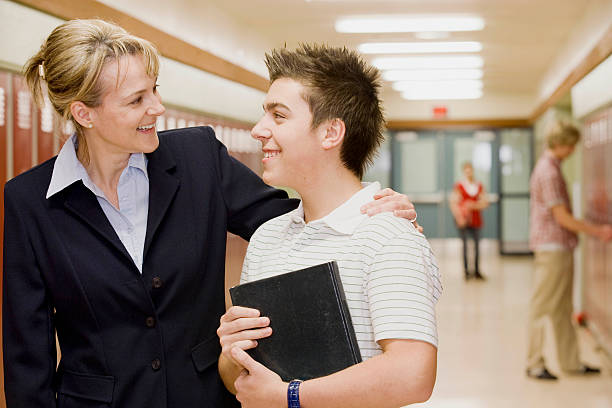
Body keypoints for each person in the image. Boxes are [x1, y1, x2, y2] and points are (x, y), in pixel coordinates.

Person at [2, 20, 419, 408]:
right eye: (137, 100)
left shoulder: (198, 158)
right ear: (84, 114)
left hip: (203, 396)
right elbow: (27, 359)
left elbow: (291, 222)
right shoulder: (30, 203)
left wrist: (368, 210)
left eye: (155, 89)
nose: (157, 107)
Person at [216, 44, 441, 408]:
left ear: (331, 133)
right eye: (264, 115)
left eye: (279, 116)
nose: (259, 130)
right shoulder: (266, 238)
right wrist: (231, 350)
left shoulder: (389, 236)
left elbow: (411, 375)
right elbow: (240, 380)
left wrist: (289, 397)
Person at [526, 120, 612, 380]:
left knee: (562, 308)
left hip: (560, 246)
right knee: (542, 307)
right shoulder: (548, 172)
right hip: (552, 248)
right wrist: (598, 231)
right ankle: (535, 362)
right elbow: (561, 218)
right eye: (572, 145)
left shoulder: (552, 167)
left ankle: (570, 362)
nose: (574, 150)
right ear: (561, 144)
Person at [449, 161, 489, 280]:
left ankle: (477, 271)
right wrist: (459, 217)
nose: (469, 172)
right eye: (466, 170)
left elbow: (484, 202)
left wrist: (472, 205)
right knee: (465, 246)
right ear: (464, 172)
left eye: (470, 169)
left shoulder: (479, 186)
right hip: (464, 221)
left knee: (477, 246)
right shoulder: (459, 186)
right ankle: (466, 271)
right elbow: (453, 203)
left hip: (476, 220)